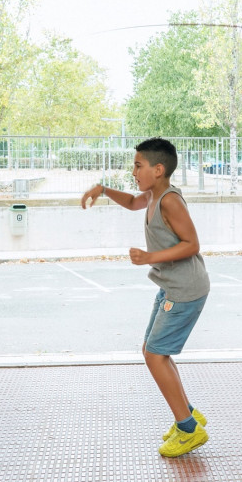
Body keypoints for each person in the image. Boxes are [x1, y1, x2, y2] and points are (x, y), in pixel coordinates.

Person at [80, 138, 210, 458]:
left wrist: (150, 256)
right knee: (154, 352)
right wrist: (103, 189)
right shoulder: (152, 195)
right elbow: (132, 203)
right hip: (172, 287)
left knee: (154, 355)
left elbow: (192, 244)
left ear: (159, 169)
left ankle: (188, 429)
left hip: (184, 290)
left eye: (139, 166)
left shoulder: (169, 201)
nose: (134, 171)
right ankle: (188, 415)